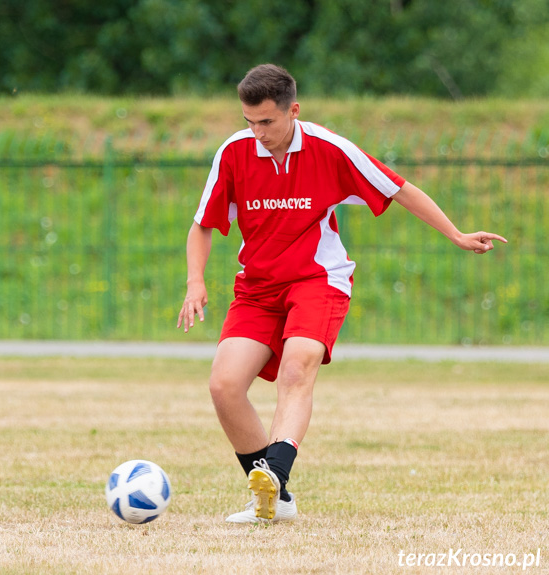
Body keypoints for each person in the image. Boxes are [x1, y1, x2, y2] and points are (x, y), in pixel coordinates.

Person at [177, 63, 506, 524]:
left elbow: (401, 190)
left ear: (294, 110)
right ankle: (276, 498)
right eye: (249, 121)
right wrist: (196, 281)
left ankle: (274, 471)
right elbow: (202, 224)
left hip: (318, 281)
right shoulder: (234, 152)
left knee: (297, 369)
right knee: (224, 386)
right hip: (257, 287)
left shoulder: (331, 149)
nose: (257, 132)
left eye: (267, 121)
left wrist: (456, 235)